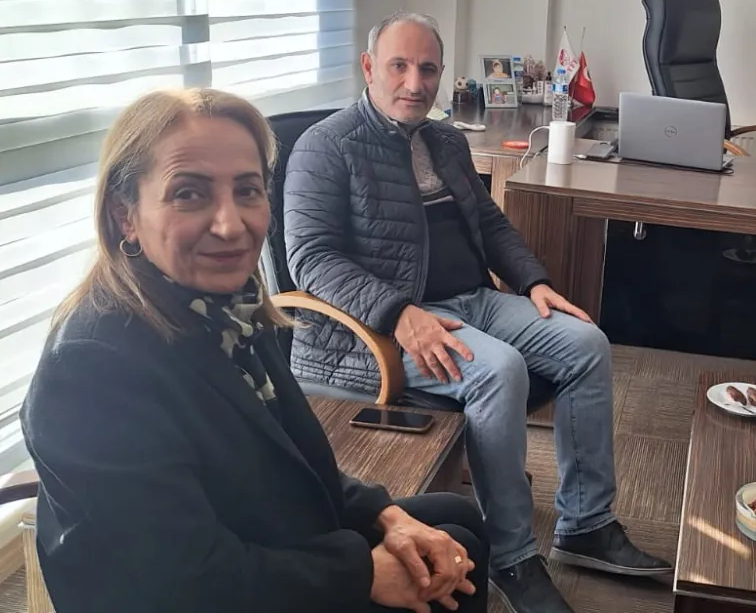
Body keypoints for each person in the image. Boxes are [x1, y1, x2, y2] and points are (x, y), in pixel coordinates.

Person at [21, 89, 488, 613]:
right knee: (453, 557)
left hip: (249, 529)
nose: (230, 225)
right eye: (189, 194)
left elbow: (296, 453)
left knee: (453, 518)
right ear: (124, 214)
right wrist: (362, 573)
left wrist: (386, 516)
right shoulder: (90, 370)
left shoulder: (228, 306)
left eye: (247, 190)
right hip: (195, 588)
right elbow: (178, 580)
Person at [283, 13, 671, 613]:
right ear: (368, 67)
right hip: (377, 332)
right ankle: (513, 557)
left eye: (428, 69)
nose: (414, 82)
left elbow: (489, 224)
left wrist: (534, 281)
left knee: (587, 344)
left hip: (474, 301)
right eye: (398, 66)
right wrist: (399, 313)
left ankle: (586, 523)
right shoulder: (325, 146)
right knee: (500, 370)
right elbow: (310, 259)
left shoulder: (444, 140)